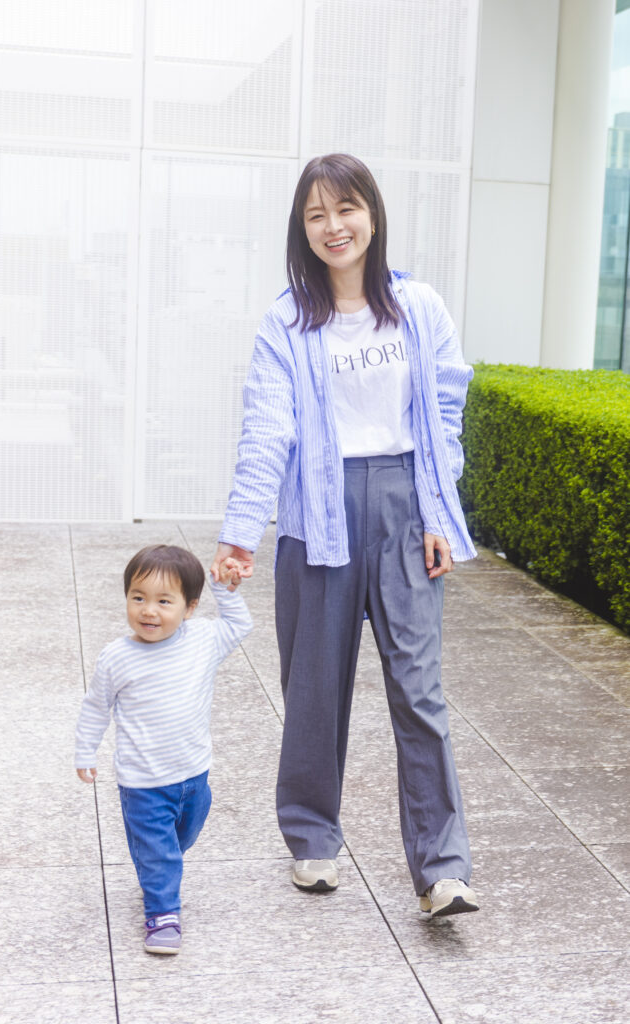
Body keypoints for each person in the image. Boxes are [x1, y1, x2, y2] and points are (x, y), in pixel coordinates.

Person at [211, 153, 479, 919]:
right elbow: (267, 430)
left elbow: (443, 415)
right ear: (301, 229)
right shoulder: (287, 321)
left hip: (403, 512)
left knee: (419, 694)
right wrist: (241, 533)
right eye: (315, 214)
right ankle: (311, 840)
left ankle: (442, 869)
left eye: (346, 208)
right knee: (314, 692)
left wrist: (437, 515)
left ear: (372, 214)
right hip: (316, 519)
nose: (333, 226)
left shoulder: (419, 307)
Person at [75, 544, 252, 953]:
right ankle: (162, 914)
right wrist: (85, 751)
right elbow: (96, 707)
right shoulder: (117, 657)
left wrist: (224, 587)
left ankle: (159, 867)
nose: (148, 611)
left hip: (194, 773)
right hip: (143, 782)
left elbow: (240, 623)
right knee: (159, 853)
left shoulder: (203, 639)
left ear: (189, 608)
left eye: (163, 601)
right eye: (138, 598)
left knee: (181, 837)